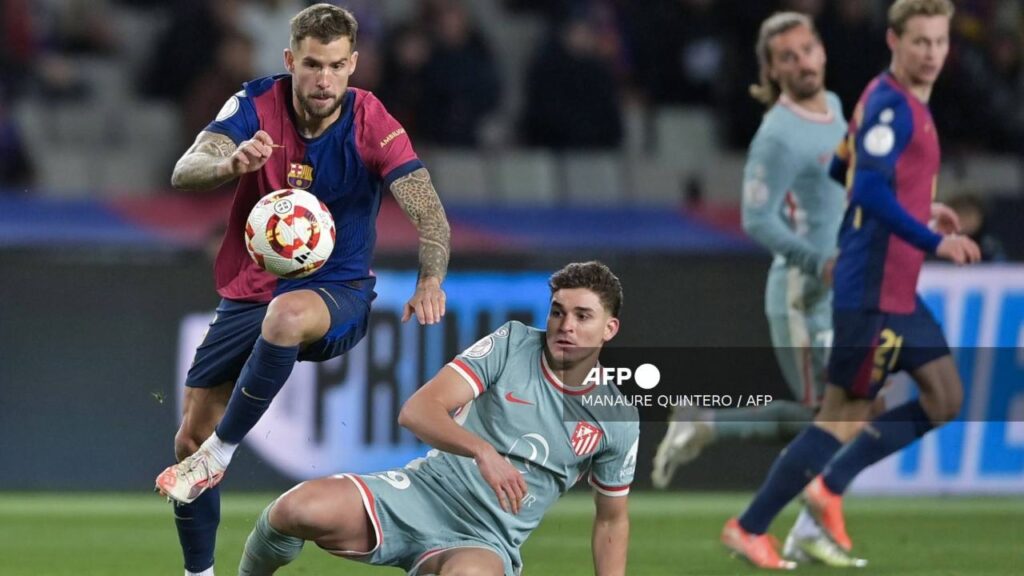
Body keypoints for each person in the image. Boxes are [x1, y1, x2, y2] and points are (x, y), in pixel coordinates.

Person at [154, 5, 451, 576]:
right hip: (249, 292)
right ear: (291, 60)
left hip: (336, 292)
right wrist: (229, 163)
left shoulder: (373, 121)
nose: (324, 79)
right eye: (312, 65)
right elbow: (186, 168)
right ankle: (200, 572)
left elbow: (431, 217)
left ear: (354, 65)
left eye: (337, 66)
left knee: (287, 317)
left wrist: (430, 277)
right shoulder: (256, 103)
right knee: (190, 437)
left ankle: (223, 452)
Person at [721, 0, 981, 569]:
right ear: (895, 41)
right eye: (920, 42)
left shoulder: (873, 100)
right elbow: (865, 190)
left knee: (945, 397)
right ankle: (752, 525)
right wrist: (933, 240)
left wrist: (921, 205)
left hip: (897, 285)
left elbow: (845, 169)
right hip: (873, 284)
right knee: (841, 414)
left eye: (939, 42)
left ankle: (826, 491)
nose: (932, 53)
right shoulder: (892, 105)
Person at [236, 261, 638, 576]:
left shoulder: (616, 418)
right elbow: (417, 411)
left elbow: (611, 521)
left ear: (610, 328)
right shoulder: (514, 342)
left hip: (485, 538)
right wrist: (482, 450)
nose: (565, 326)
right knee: (295, 509)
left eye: (583, 316)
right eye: (557, 312)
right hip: (422, 491)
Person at [651, 11, 850, 565]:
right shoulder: (778, 133)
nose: (803, 62)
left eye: (807, 49)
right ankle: (790, 525)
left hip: (839, 284)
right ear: (773, 68)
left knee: (835, 415)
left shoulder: (835, 110)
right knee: (831, 415)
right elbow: (758, 218)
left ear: (822, 51)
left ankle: (709, 425)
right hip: (800, 291)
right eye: (788, 57)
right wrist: (817, 261)